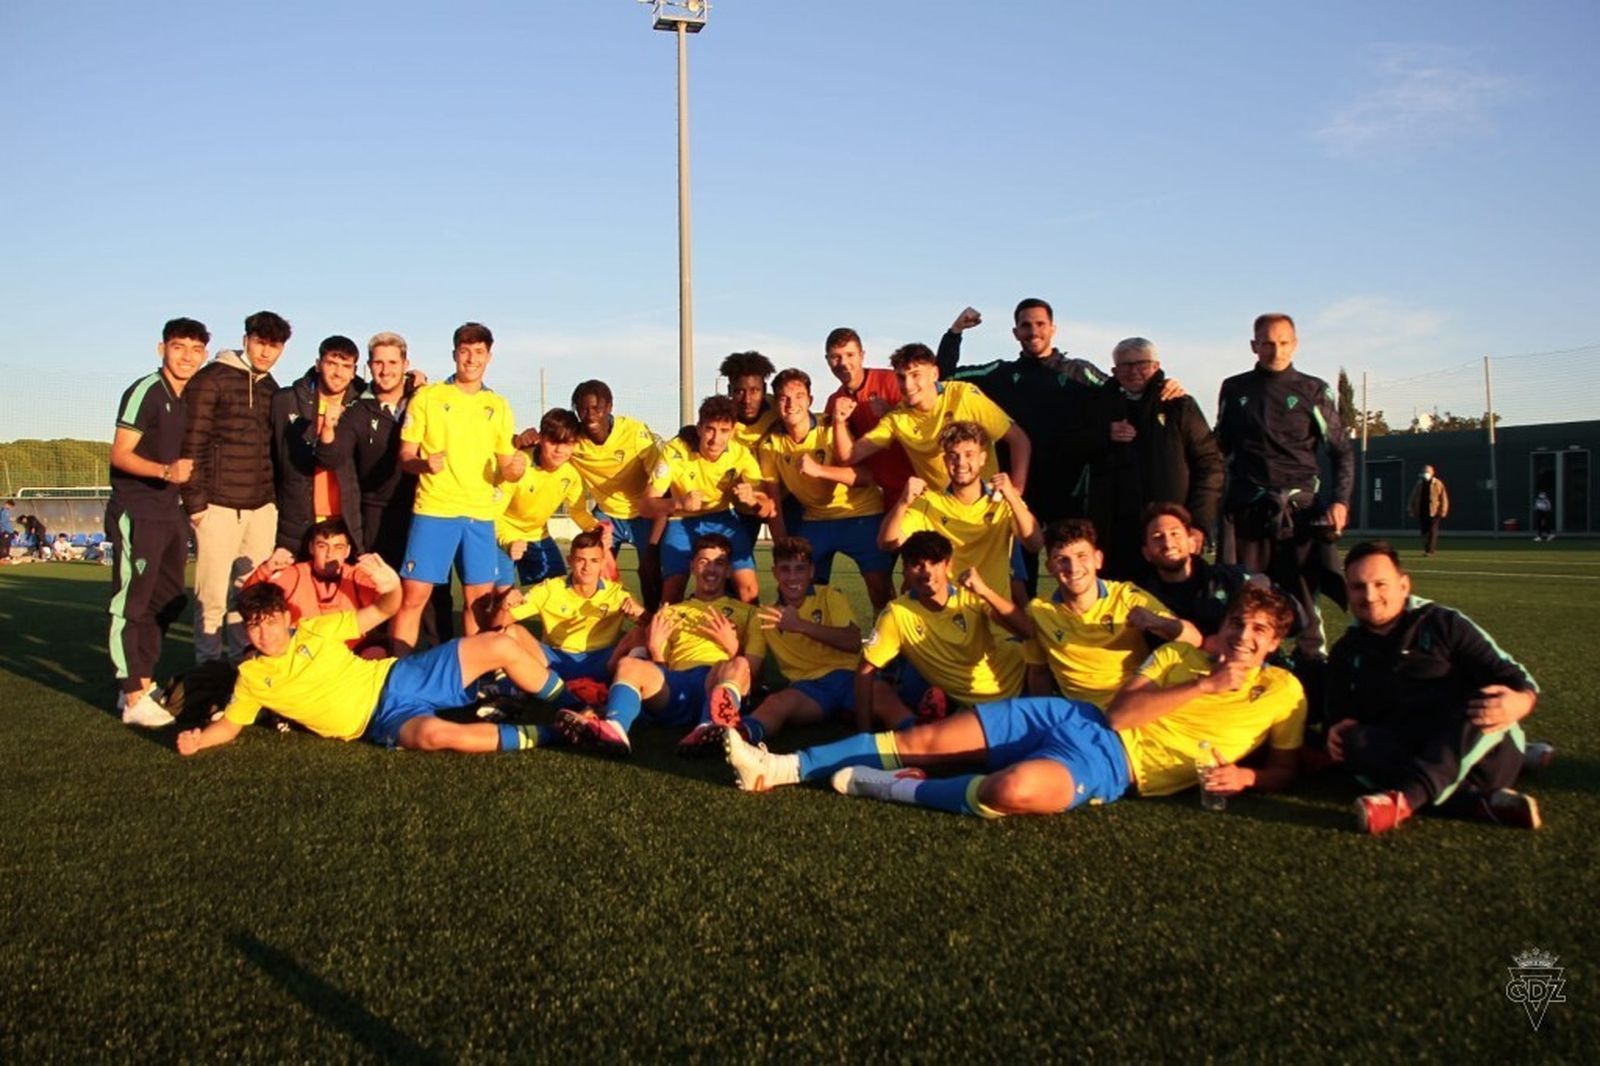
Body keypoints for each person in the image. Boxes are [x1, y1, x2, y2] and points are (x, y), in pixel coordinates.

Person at [724, 586, 1304, 818]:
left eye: (1257, 631)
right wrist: (1204, 685)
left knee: (1012, 791)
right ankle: (776, 768)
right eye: (1236, 623)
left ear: (1274, 643)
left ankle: (898, 788)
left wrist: (1247, 781)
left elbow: (1283, 768)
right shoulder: (1186, 660)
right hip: (1075, 717)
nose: (1242, 637)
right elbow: (1123, 714)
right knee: (922, 740)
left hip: (1112, 767)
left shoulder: (1284, 693)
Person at [175, 555, 569, 757]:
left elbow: (383, 610)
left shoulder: (314, 629)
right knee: (435, 736)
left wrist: (390, 585)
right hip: (379, 721)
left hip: (395, 677)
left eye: (270, 622)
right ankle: (557, 733)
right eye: (254, 626)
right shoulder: (252, 678)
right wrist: (199, 741)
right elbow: (229, 726)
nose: (263, 633)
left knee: (500, 644)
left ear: (284, 617)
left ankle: (577, 704)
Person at [1327, 541, 1543, 834]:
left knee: (1486, 700)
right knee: (1352, 742)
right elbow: (1339, 718)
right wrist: (1336, 732)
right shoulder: (1345, 652)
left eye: (1381, 584)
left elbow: (1518, 680)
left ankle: (1405, 800)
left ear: (1404, 585)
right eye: (1358, 586)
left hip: (1482, 762)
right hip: (1411, 748)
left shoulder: (1444, 623)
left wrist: (1521, 702)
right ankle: (1479, 804)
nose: (1370, 596)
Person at [1215, 313, 1353, 673]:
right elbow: (1218, 450)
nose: (1275, 349)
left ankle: (1312, 671)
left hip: (1301, 513)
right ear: (1254, 345)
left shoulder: (1314, 390)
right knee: (1247, 598)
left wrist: (1340, 501)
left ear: (1295, 344)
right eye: (1267, 342)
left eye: (1283, 342)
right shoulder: (1234, 388)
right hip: (1248, 512)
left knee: (1306, 601)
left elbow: (1341, 451)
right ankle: (1251, 671)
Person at [555, 533, 765, 756]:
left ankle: (710, 727)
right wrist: (655, 649)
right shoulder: (671, 612)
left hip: (716, 681)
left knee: (739, 664)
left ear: (729, 571)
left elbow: (754, 676)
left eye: (719, 563)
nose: (711, 569)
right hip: (677, 685)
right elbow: (662, 669)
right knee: (628, 665)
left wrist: (732, 646)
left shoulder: (750, 613)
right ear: (692, 566)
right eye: (703, 562)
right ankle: (615, 729)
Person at [391, 323, 523, 652]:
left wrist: (515, 470)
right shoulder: (428, 397)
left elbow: (507, 466)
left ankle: (470, 679)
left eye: (479, 352)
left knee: (479, 602)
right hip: (436, 509)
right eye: (465, 351)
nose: (471, 359)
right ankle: (397, 678)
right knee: (414, 596)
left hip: (480, 515)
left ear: (489, 357)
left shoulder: (499, 405)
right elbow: (405, 456)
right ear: (454, 355)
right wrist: (424, 464)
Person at [106, 317, 207, 727]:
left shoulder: (186, 397)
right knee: (133, 600)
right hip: (139, 509)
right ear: (161, 348)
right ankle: (132, 694)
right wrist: (165, 472)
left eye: (195, 349)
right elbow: (120, 453)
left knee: (168, 596)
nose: (186, 356)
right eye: (179, 347)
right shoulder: (145, 390)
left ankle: (142, 680)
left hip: (170, 512)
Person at [180, 310, 291, 663]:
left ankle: (244, 667)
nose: (266, 352)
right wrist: (195, 504)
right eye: (260, 343)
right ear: (246, 340)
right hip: (218, 506)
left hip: (261, 508)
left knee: (252, 595)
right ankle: (209, 672)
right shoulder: (211, 379)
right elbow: (192, 442)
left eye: (274, 346)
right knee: (210, 595)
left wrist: (271, 502)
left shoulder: (273, 388)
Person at [1005, 519, 1198, 707]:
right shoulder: (1039, 611)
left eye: (1082, 556)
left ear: (1098, 559)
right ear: (1049, 567)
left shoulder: (1127, 596)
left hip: (1131, 706)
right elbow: (1039, 672)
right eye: (1062, 559)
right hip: (1079, 714)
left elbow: (1194, 639)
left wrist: (1158, 622)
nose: (1073, 568)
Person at [852, 530, 1026, 731]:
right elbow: (865, 671)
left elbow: (1026, 631)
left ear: (948, 565)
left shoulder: (970, 598)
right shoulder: (897, 613)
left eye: (934, 563)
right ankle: (922, 723)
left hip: (1020, 682)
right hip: (977, 704)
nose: (927, 573)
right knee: (880, 690)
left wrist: (986, 591)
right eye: (917, 565)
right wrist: (863, 734)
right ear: (905, 571)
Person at [1080, 338, 1223, 578]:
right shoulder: (1096, 406)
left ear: (1156, 366)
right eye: (1125, 366)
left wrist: (1198, 524)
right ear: (1114, 370)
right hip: (1114, 535)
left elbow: (1210, 465)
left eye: (1142, 364)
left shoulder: (1178, 405)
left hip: (1169, 531)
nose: (1134, 371)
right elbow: (1071, 449)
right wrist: (1103, 435)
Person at [349, 331, 455, 648]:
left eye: (393, 363)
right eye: (378, 363)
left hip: (425, 510)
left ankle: (441, 666)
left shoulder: (426, 401)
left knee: (434, 594)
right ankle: (383, 668)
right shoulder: (355, 409)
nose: (385, 370)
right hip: (376, 516)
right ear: (368, 366)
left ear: (406, 365)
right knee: (378, 591)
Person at [757, 367, 894, 611]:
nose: (791, 404)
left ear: (810, 400)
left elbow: (864, 476)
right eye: (784, 398)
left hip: (860, 513)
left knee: (879, 585)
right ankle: (802, 642)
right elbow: (774, 502)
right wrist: (782, 550)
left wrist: (820, 470)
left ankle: (888, 642)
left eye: (799, 396)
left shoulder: (830, 427)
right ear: (776, 403)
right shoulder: (770, 444)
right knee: (797, 584)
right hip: (816, 519)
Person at [833, 342, 1029, 497]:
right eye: (901, 377)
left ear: (934, 374)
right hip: (943, 512)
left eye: (916, 375)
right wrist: (839, 421)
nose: (908, 385)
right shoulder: (898, 419)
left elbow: (1019, 440)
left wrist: (1016, 490)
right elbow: (849, 457)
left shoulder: (963, 395)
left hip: (985, 504)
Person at [879, 421, 1041, 606]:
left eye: (969, 455)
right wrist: (902, 503)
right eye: (953, 456)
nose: (961, 462)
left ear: (983, 458)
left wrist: (1013, 498)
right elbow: (887, 543)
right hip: (946, 613)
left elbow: (1034, 544)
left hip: (991, 612)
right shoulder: (928, 502)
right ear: (945, 461)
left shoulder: (1003, 499)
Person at [720, 536, 863, 744]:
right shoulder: (764, 616)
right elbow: (752, 666)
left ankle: (916, 732)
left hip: (850, 678)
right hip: (809, 690)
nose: (793, 577)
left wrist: (800, 626)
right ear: (775, 573)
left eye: (800, 569)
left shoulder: (829, 596)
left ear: (812, 571)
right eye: (785, 569)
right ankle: (737, 738)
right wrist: (733, 648)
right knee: (777, 702)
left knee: (885, 699)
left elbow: (853, 642)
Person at [643, 395, 768, 604]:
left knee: (749, 590)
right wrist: (679, 503)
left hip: (722, 517)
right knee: (672, 592)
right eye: (710, 429)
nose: (715, 439)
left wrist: (754, 499)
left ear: (733, 431)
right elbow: (646, 506)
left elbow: (767, 506)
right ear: (699, 428)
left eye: (724, 431)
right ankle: (672, 636)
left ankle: (747, 635)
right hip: (681, 520)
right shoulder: (675, 452)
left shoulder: (741, 454)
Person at [491, 529, 645, 696]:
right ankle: (507, 694)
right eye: (580, 560)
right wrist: (503, 607)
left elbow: (652, 627)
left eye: (594, 561)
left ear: (602, 563)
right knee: (511, 632)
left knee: (641, 632)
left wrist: (642, 614)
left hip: (602, 661)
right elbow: (497, 626)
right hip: (553, 659)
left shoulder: (617, 593)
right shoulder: (550, 589)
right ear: (570, 561)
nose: (587, 567)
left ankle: (629, 693)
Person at [562, 380, 665, 609]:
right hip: (607, 514)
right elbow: (549, 443)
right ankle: (593, 620)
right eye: (583, 409)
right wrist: (522, 440)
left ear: (609, 407)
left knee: (649, 568)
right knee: (592, 568)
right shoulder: (574, 440)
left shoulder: (634, 432)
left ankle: (651, 618)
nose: (589, 416)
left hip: (643, 513)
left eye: (596, 408)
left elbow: (660, 476)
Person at [821, 326, 945, 507]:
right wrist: (839, 422)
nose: (843, 363)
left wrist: (891, 413)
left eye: (850, 355)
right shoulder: (834, 403)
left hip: (927, 488)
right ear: (827, 360)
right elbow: (846, 458)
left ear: (862, 355)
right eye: (835, 357)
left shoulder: (895, 381)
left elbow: (931, 419)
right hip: (887, 498)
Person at [271, 335, 366, 555]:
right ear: (318, 364)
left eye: (346, 366)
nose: (338, 372)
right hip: (297, 518)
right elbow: (270, 455)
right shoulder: (285, 400)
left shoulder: (363, 405)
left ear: (354, 371)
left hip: (345, 520)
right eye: (331, 363)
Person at [494, 408, 601, 591]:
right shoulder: (519, 464)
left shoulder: (571, 474)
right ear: (541, 438)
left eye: (567, 443)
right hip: (501, 536)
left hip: (538, 536)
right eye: (553, 442)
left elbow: (578, 512)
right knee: (500, 602)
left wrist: (597, 528)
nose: (560, 450)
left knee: (559, 594)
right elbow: (492, 515)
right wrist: (508, 541)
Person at [1134, 502, 1265, 637]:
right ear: (1146, 553)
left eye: (1175, 533)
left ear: (1192, 543)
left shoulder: (1230, 579)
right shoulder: (1140, 598)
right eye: (1157, 537)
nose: (1168, 543)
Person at [241, 518, 381, 641]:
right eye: (322, 546)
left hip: (348, 655)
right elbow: (249, 600)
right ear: (311, 548)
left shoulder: (357, 576)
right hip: (302, 654)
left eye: (338, 547)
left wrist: (386, 582)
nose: (329, 554)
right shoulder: (294, 574)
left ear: (348, 551)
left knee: (377, 647)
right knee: (252, 653)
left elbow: (386, 605)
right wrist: (265, 569)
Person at [1407, 464, 1449, 556]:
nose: (1426, 474)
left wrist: (1443, 510)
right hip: (1422, 511)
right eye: (1424, 472)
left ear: (1432, 473)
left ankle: (1430, 550)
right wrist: (1411, 509)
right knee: (1424, 531)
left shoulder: (1437, 483)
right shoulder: (1419, 484)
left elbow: (1443, 497)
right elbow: (1413, 497)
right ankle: (1426, 549)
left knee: (1432, 530)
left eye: (1428, 472)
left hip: (1434, 511)